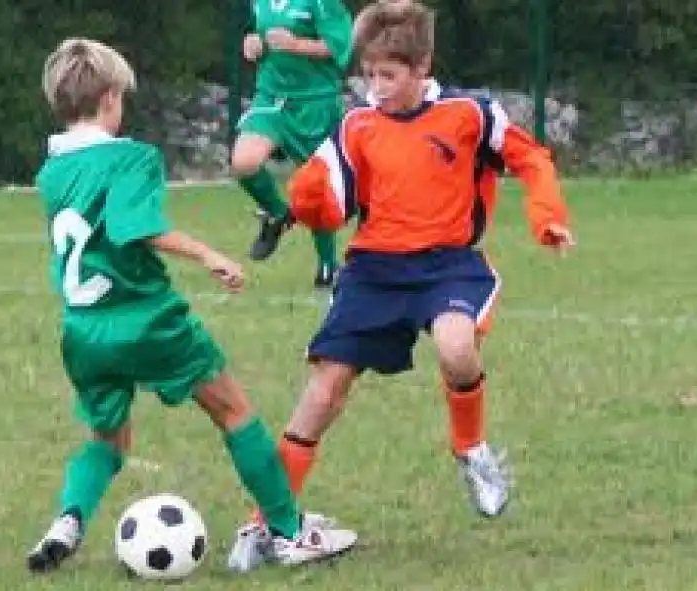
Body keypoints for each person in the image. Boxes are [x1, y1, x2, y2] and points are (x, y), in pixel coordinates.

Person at [228, 0, 575, 569]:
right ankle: (268, 521)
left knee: (457, 348)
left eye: (389, 75)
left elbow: (532, 159)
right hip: (374, 272)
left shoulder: (470, 114)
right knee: (323, 392)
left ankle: (471, 450)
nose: (377, 87)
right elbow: (325, 190)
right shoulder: (356, 125)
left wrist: (547, 216)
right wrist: (308, 202)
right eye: (369, 74)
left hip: (448, 265)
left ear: (422, 66)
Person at [27, 37, 356, 574]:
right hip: (147, 320)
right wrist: (208, 255)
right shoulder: (131, 158)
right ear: (110, 98)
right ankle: (290, 532)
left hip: (83, 331)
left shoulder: (52, 172)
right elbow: (137, 228)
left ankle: (68, 519)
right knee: (233, 411)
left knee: (108, 439)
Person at [232, 0, 353, 288]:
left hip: (316, 103)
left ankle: (327, 266)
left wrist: (297, 45)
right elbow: (257, 34)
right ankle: (277, 214)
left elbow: (340, 48)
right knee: (244, 163)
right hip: (271, 98)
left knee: (317, 187)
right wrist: (252, 45)